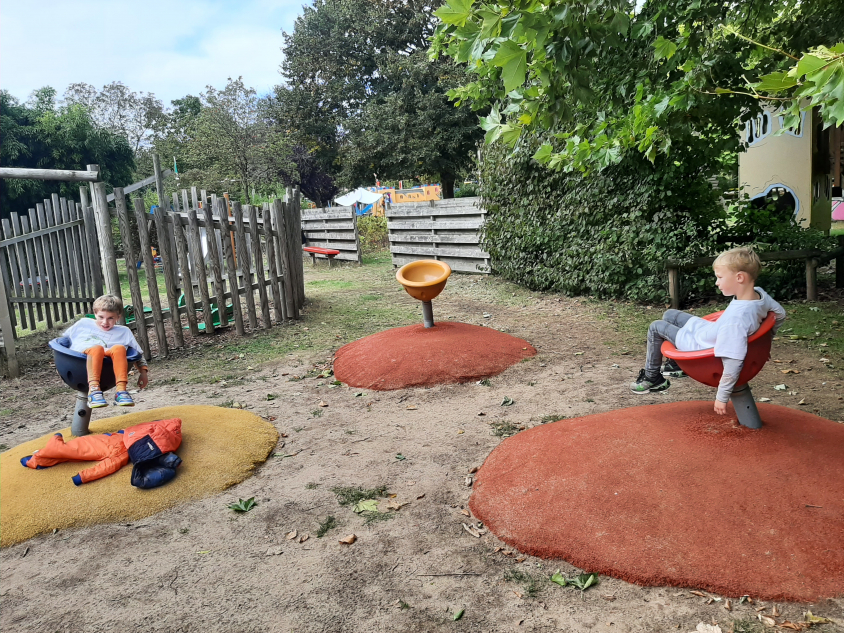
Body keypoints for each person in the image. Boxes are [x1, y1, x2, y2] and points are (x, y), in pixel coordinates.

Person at [630, 247, 786, 414]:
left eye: (720, 277)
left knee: (656, 327)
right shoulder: (759, 294)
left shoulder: (736, 321)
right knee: (670, 314)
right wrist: (763, 343)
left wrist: (722, 397)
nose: (716, 282)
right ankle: (675, 366)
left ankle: (652, 377)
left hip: (698, 345)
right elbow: (780, 314)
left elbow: (733, 362)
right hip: (709, 331)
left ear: (739, 278)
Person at [62, 295, 148, 408]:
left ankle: (121, 391)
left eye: (110, 318)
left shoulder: (124, 332)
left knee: (119, 348)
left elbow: (138, 354)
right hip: (79, 362)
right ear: (95, 313)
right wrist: (61, 361)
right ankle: (94, 390)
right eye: (101, 317)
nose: (105, 322)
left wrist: (143, 373)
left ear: (118, 317)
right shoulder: (84, 324)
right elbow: (62, 341)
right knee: (97, 348)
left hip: (106, 367)